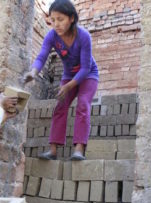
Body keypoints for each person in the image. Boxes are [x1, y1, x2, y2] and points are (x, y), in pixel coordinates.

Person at [24, 0, 99, 160]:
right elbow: (42, 55)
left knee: (83, 104)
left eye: (60, 19)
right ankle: (53, 150)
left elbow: (85, 68)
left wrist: (68, 87)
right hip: (69, 75)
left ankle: (79, 149)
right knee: (60, 106)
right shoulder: (52, 36)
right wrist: (33, 71)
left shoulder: (83, 36)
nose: (56, 24)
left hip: (88, 74)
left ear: (71, 18)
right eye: (53, 20)